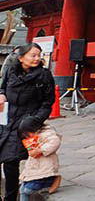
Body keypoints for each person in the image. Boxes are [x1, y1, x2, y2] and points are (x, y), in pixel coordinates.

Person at [0, 43, 55, 200]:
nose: (37, 58)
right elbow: (2, 87)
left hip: (24, 122)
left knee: (11, 162)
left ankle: (11, 197)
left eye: (39, 55)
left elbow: (47, 102)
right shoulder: (11, 71)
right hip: (5, 119)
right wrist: (2, 94)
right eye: (33, 55)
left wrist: (35, 120)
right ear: (21, 57)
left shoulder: (44, 76)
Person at [18, 116, 62, 200]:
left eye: (28, 134)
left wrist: (40, 150)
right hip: (35, 168)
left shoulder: (47, 134)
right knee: (23, 189)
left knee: (27, 190)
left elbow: (55, 142)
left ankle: (51, 183)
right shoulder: (32, 139)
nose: (27, 137)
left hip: (45, 168)